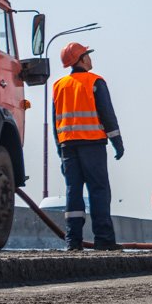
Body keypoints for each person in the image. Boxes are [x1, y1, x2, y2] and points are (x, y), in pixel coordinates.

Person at [52, 41, 124, 251]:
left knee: (73, 191)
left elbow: (56, 121)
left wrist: (59, 148)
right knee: (99, 191)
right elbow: (107, 115)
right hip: (92, 144)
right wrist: (117, 143)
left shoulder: (59, 86)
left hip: (68, 146)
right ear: (81, 59)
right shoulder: (95, 82)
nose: (90, 58)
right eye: (87, 55)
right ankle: (103, 240)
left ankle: (73, 242)